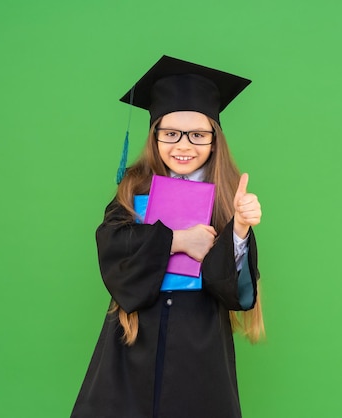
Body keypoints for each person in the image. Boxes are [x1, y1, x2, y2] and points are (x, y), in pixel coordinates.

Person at [70, 55, 265, 418]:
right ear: (155, 135)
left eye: (198, 135)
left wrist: (238, 229)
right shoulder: (133, 187)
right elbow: (113, 248)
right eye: (171, 133)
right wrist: (177, 240)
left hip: (200, 343)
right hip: (133, 341)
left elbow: (235, 294)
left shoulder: (226, 195)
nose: (184, 145)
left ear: (214, 139)